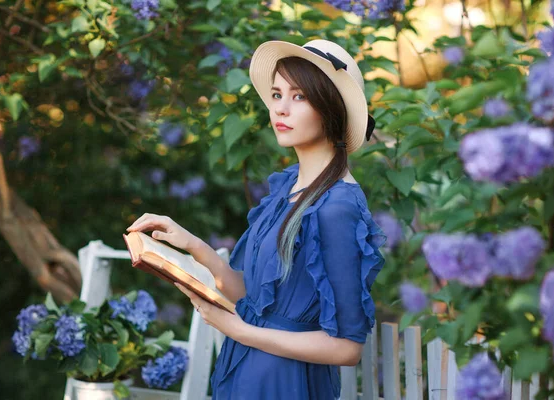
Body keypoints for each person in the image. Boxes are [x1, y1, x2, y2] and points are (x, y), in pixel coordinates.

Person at [126, 39, 387, 399]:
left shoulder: (337, 205)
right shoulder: (288, 187)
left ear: (331, 109)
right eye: (277, 94)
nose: (280, 109)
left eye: (298, 97)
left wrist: (238, 330)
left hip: (287, 383)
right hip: (246, 372)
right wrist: (193, 246)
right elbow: (256, 297)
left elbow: (346, 348)